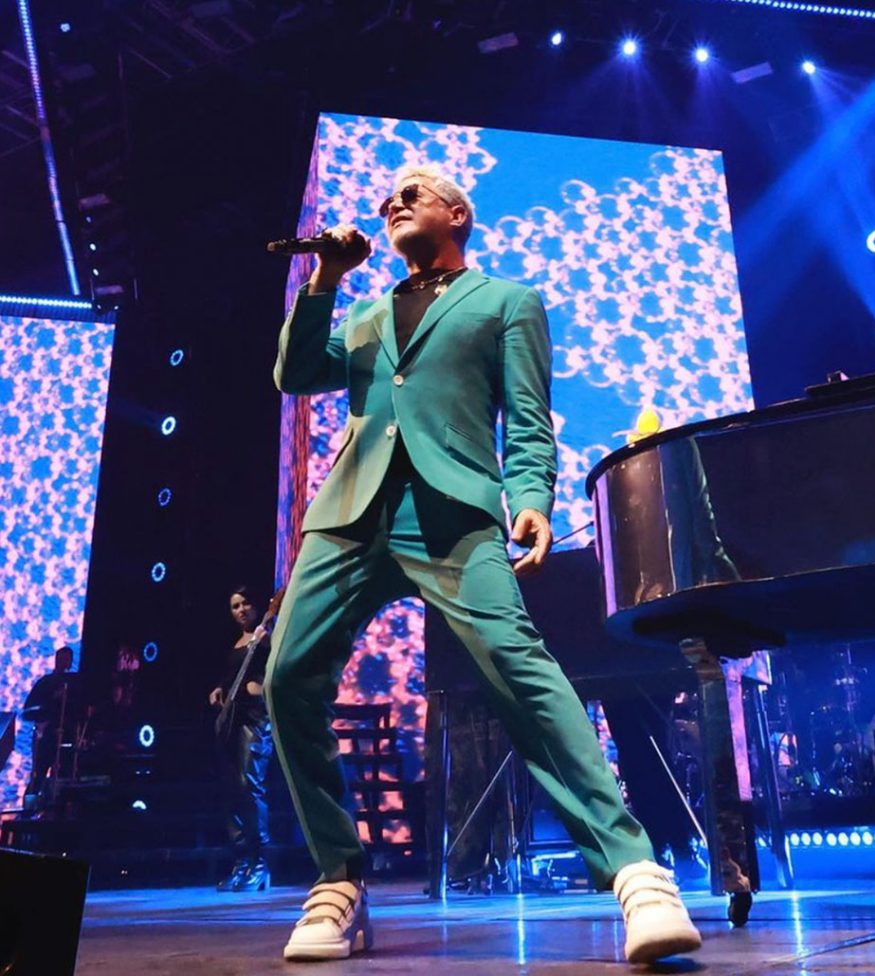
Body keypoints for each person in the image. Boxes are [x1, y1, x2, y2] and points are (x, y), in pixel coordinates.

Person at [266, 163, 702, 963]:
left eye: (413, 193)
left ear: (458, 214)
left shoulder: (506, 301)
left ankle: (635, 870)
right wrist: (324, 277)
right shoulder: (361, 313)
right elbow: (294, 375)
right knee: (287, 675)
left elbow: (527, 416)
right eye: (387, 200)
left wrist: (532, 493)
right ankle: (338, 879)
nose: (394, 203)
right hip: (350, 514)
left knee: (518, 666)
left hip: (453, 512)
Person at [208, 585, 274, 891]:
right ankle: (241, 861)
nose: (241, 610)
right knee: (231, 790)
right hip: (232, 721)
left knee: (249, 786)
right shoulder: (237, 642)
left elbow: (277, 674)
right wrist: (219, 689)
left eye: (246, 603)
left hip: (256, 720)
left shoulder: (267, 637)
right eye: (235, 606)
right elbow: (231, 677)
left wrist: (258, 688)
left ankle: (260, 862)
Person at [22, 646, 82, 811]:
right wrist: (52, 699)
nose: (63, 662)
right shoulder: (45, 682)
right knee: (39, 774)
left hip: (67, 735)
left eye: (66, 659)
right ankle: (28, 811)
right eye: (60, 659)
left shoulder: (75, 683)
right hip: (47, 736)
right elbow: (29, 709)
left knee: (65, 776)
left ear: (70, 662)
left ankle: (60, 811)